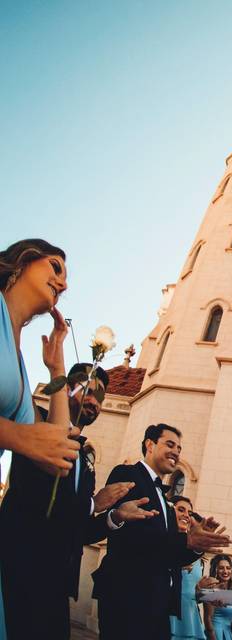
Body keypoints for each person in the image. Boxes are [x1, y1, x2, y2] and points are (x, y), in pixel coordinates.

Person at [0, 356, 149, 639]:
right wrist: (94, 503)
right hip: (19, 570)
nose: (94, 402)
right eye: (88, 391)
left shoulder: (84, 459)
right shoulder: (38, 427)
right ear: (65, 389)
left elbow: (76, 528)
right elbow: (38, 499)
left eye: (100, 398)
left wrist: (114, 517)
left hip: (57, 584)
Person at [0, 239, 82, 635]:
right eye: (55, 267)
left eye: (66, 277)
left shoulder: (16, 362)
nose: (62, 282)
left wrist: (57, 368)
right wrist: (15, 435)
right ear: (22, 261)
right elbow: (23, 438)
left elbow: (53, 444)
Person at [92, 423, 232, 639]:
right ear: (150, 444)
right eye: (170, 444)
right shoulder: (127, 474)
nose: (176, 451)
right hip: (127, 595)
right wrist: (185, 541)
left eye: (179, 448)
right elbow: (131, 537)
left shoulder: (166, 502)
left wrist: (195, 546)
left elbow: (170, 554)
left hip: (158, 603)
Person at [171, 496, 216, 639]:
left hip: (190, 615)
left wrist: (203, 594)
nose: (186, 517)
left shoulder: (198, 558)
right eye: (181, 510)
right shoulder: (166, 543)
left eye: (189, 514)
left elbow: (193, 593)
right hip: (168, 613)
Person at [204, 554, 232, 640]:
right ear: (215, 570)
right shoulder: (211, 590)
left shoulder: (231, 591)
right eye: (221, 568)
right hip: (216, 634)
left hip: (228, 633)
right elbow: (208, 619)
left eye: (228, 568)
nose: (225, 571)